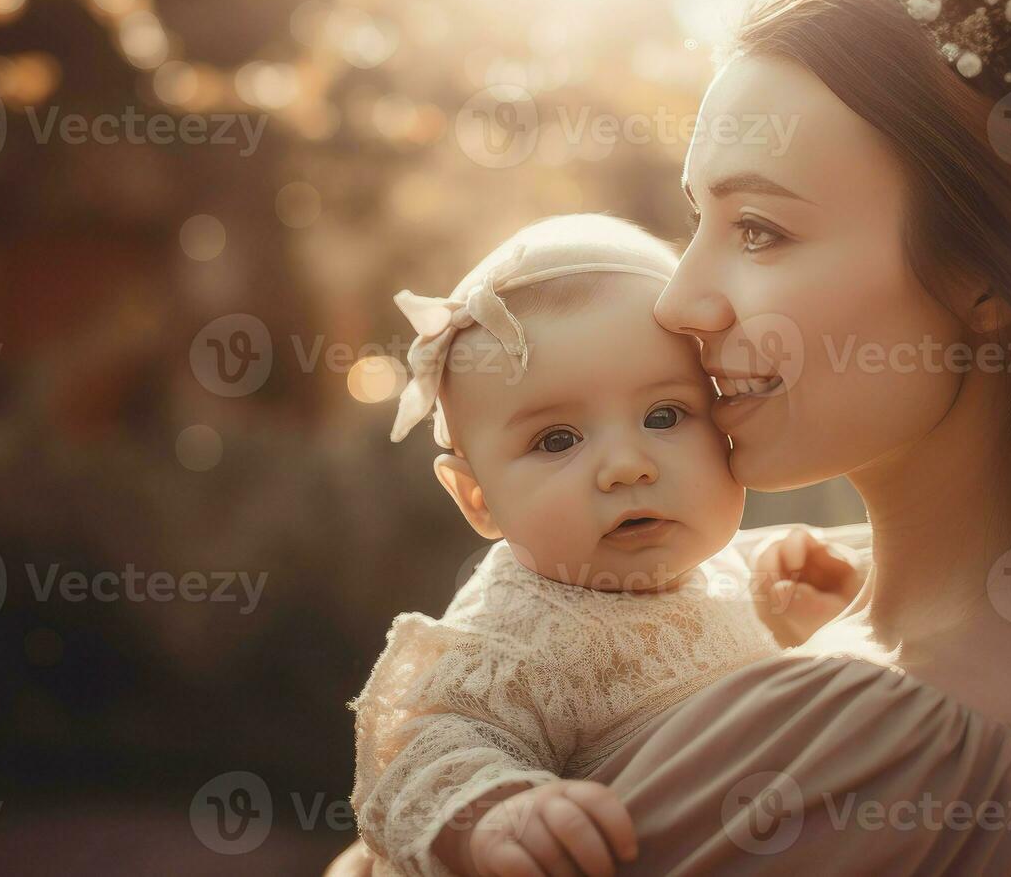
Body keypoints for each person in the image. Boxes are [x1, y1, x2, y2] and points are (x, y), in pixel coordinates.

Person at [332, 0, 1011, 872]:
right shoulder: (797, 596)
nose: (682, 300)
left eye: (759, 228)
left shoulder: (887, 739)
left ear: (995, 278)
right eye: (695, 221)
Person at [350, 215, 863, 877]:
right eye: (557, 440)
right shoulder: (515, 633)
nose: (626, 466)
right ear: (477, 498)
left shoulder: (732, 574)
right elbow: (421, 747)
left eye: (664, 416)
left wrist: (795, 626)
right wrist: (496, 812)